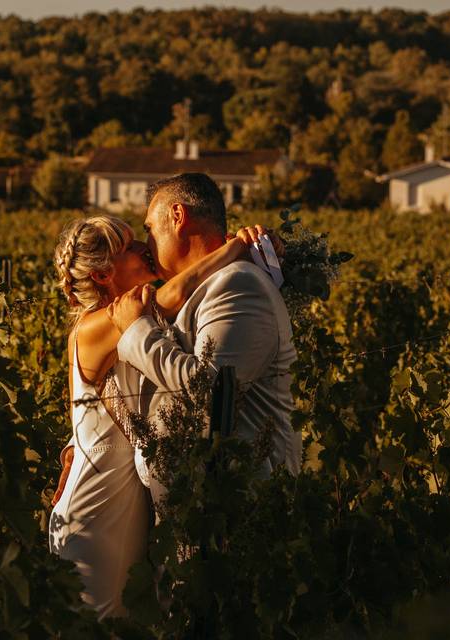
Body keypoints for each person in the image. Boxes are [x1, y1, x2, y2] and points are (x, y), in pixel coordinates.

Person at [48, 213, 272, 618]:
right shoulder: (96, 326)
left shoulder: (124, 319)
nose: (143, 250)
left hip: (122, 501)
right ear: (103, 275)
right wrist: (236, 247)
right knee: (97, 623)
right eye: (129, 247)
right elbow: (174, 294)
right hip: (95, 506)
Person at [109, 173, 301, 507]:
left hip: (236, 507)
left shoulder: (239, 284)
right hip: (195, 507)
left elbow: (211, 389)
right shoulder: (207, 285)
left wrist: (136, 331)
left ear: (178, 217)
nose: (147, 244)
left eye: (149, 229)